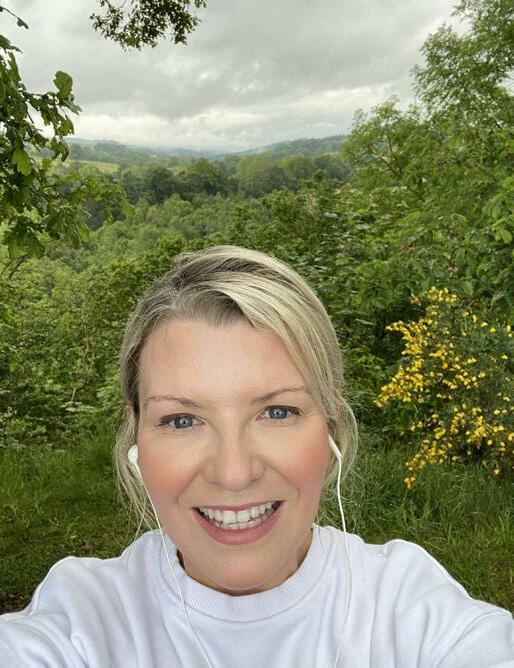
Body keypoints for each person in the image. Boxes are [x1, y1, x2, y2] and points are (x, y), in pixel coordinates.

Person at [0, 245, 512, 668]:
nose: (233, 473)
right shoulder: (83, 620)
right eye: (182, 420)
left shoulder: (408, 609)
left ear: (331, 428)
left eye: (277, 412)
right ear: (136, 442)